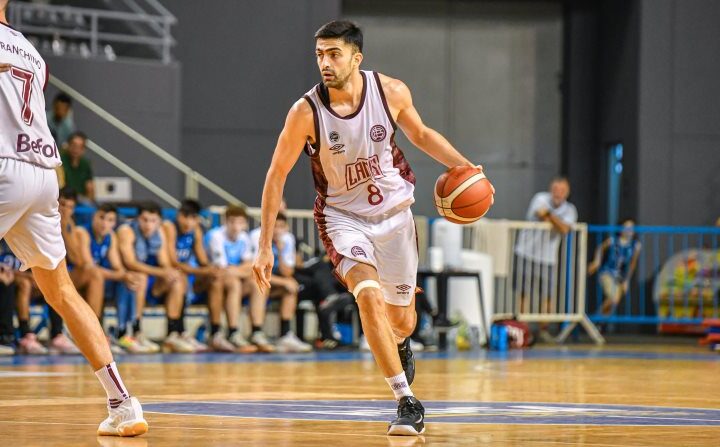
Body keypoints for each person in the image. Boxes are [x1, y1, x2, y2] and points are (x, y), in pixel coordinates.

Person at [252, 20, 481, 435]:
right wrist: (264, 245)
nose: (325, 63)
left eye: (334, 54)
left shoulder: (389, 91)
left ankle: (401, 342)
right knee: (368, 296)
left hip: (395, 217)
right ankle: (406, 400)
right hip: (342, 218)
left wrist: (465, 167)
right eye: (320, 54)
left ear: (356, 58)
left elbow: (421, 134)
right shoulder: (305, 112)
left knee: (402, 322)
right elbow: (275, 175)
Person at [0, 1, 147, 436]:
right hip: (43, 173)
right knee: (61, 290)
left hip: (5, 166)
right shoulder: (30, 50)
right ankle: (123, 404)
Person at [117, 201, 195, 353]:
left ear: (159, 221)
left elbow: (164, 262)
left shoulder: (159, 233)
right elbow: (130, 263)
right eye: (144, 220)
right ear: (137, 219)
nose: (148, 225)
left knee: (177, 280)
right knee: (140, 278)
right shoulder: (126, 231)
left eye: (153, 221)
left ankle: (173, 333)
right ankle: (134, 332)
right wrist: (162, 272)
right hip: (124, 281)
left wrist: (171, 273)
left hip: (149, 281)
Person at [75, 204, 149, 353]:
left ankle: (124, 332)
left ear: (115, 223)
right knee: (96, 275)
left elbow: (118, 267)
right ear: (94, 217)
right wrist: (122, 275)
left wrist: (126, 276)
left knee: (131, 280)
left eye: (110, 220)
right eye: (101, 218)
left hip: (98, 279)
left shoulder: (110, 236)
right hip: (76, 280)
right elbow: (88, 266)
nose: (105, 223)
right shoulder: (82, 232)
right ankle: (94, 334)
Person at [514, 176, 578, 336]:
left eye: (562, 190)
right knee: (523, 292)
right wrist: (555, 220)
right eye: (555, 189)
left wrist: (549, 215)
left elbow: (564, 229)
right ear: (551, 189)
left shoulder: (570, 210)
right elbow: (542, 215)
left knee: (548, 295)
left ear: (567, 193)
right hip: (526, 252)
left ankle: (544, 331)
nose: (558, 193)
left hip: (548, 258)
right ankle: (523, 329)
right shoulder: (540, 198)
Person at [162, 199, 226, 352]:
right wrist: (203, 271)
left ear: (197, 219)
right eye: (185, 217)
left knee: (216, 280)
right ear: (179, 216)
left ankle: (215, 333)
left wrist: (212, 269)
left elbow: (202, 259)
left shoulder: (196, 231)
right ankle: (174, 332)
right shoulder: (169, 227)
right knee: (180, 278)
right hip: (164, 278)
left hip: (186, 275)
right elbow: (173, 262)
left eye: (193, 218)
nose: (188, 222)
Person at [204, 205, 259, 353]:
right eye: (232, 222)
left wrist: (238, 270)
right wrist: (242, 270)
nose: (236, 226)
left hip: (231, 279)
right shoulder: (215, 236)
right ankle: (231, 332)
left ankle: (257, 332)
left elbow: (250, 266)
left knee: (257, 283)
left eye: (240, 222)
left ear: (245, 224)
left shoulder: (244, 238)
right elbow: (221, 269)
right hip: (208, 281)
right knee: (233, 283)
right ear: (225, 222)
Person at [588, 219, 642, 317]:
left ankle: (598, 320)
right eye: (626, 227)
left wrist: (627, 280)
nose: (629, 230)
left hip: (620, 277)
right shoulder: (613, 240)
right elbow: (600, 248)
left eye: (631, 228)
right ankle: (594, 319)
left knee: (612, 304)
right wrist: (596, 261)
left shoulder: (635, 246)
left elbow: (632, 264)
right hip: (607, 272)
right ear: (621, 229)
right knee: (614, 298)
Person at [60, 131, 95, 203]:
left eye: (80, 147)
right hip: (64, 198)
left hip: (81, 200)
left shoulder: (85, 163)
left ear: (84, 149)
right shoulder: (60, 160)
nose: (76, 149)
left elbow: (90, 186)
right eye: (74, 145)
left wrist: (90, 202)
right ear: (68, 145)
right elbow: (60, 184)